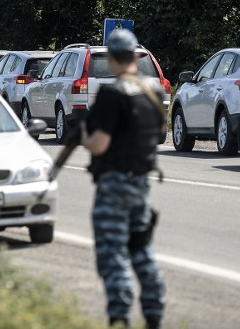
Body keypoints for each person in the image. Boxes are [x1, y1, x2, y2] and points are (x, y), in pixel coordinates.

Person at [80, 29, 166, 329]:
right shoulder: (155, 93)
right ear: (136, 57)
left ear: (113, 58)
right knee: (140, 247)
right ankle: (154, 309)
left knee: (112, 253)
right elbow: (155, 136)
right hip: (141, 182)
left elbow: (100, 145)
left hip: (114, 183)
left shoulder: (112, 94)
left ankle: (120, 316)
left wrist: (85, 136)